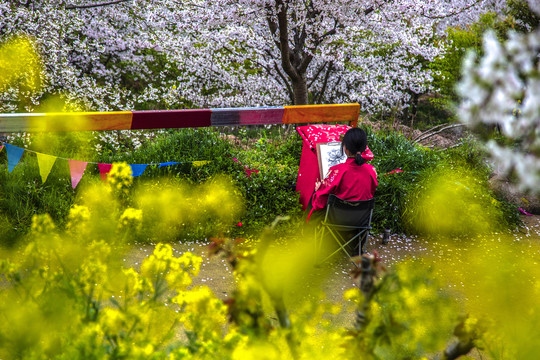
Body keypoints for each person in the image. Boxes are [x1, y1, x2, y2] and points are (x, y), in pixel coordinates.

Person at [307, 127, 377, 221]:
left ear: (345, 148)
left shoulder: (336, 170)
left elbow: (320, 202)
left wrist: (318, 189)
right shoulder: (371, 170)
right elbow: (371, 193)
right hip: (361, 222)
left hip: (338, 221)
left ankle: (304, 231)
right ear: (364, 148)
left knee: (315, 196)